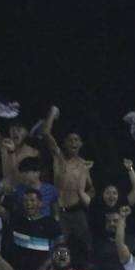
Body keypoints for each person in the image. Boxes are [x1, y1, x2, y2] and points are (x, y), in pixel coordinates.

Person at [40, 107, 95, 255]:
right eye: (70, 140)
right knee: (57, 249)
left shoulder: (84, 164)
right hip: (59, 212)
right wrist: (52, 114)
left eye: (76, 140)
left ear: (81, 144)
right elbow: (46, 133)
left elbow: (91, 189)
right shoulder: (59, 159)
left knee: (86, 248)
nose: (73, 143)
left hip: (77, 213)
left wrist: (86, 197)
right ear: (64, 143)